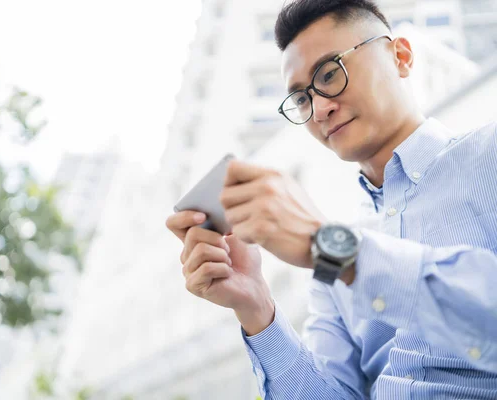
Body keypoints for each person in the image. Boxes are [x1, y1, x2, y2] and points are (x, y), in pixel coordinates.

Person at [165, 0, 497, 398]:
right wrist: (256, 307)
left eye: (329, 72)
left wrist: (337, 251)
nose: (320, 108)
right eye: (303, 99)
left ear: (401, 56)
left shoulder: (488, 156)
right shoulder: (329, 266)